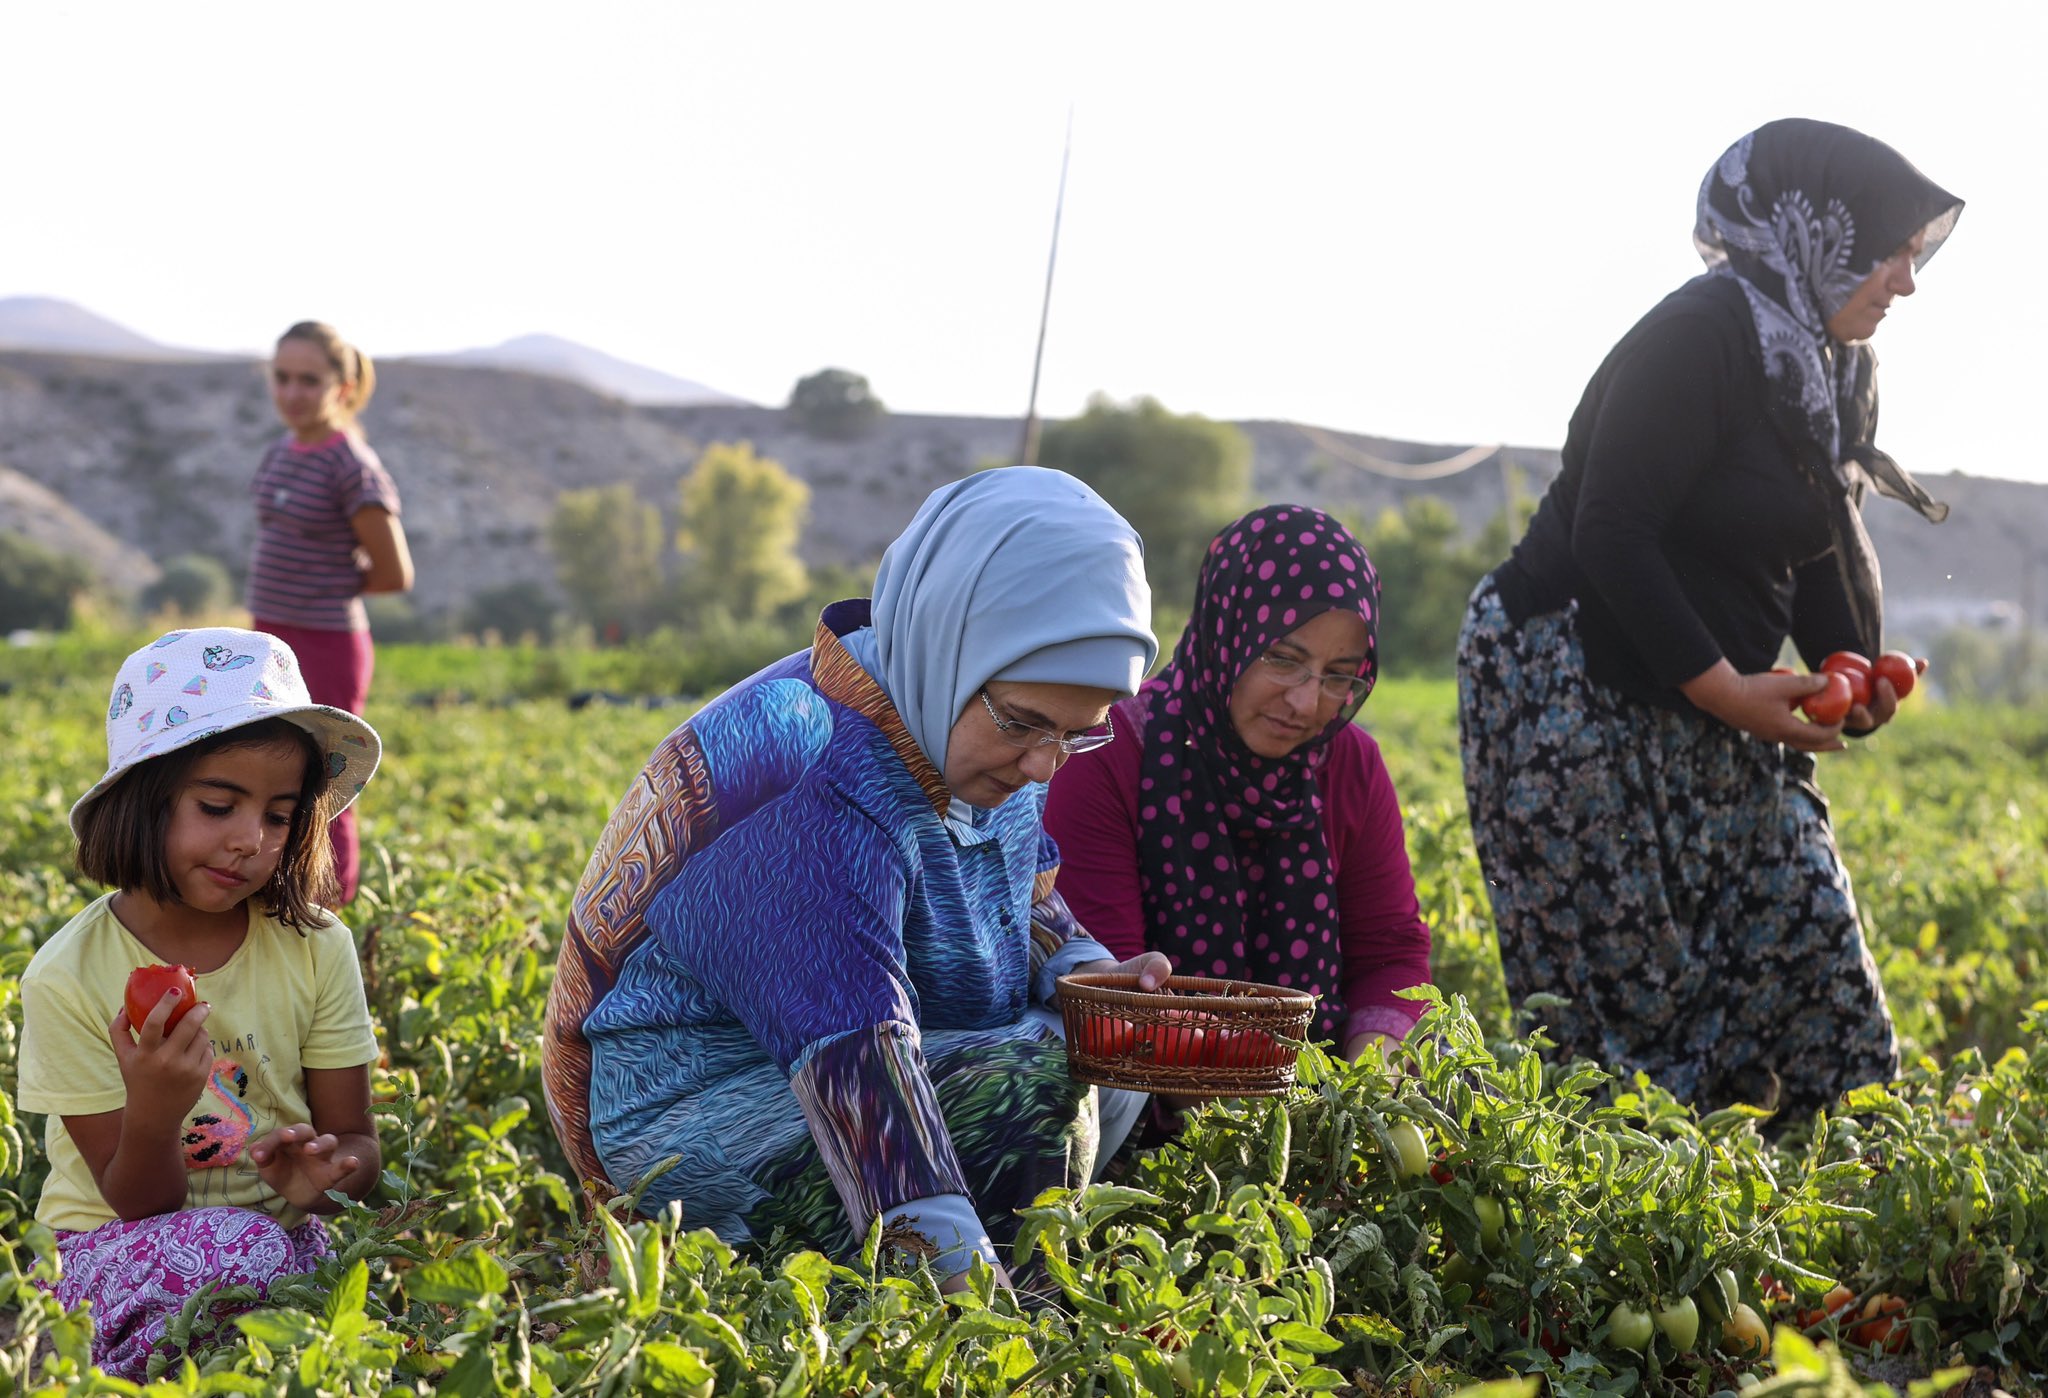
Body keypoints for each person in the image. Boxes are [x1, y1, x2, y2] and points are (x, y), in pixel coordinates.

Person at [542, 467, 1167, 1290]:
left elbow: (1022, 895)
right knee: (1029, 1086)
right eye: (1025, 724)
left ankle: (983, 1272)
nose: (1045, 764)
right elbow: (861, 1080)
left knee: (1093, 1049)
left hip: (858, 1059)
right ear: (948, 644)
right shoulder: (800, 765)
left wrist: (1084, 972)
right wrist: (989, 1333)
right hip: (686, 1123)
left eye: (1078, 735)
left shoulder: (964, 725)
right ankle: (964, 1309)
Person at [1456, 119, 1962, 1118]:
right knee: (1629, 1010)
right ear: (1815, 234)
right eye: (1888, 248)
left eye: (1913, 252)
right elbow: (1612, 533)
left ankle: (1836, 1230)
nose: (1905, 279)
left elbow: (1819, 536)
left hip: (1704, 690)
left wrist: (1845, 671)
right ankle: (1628, 1254)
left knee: (1811, 951)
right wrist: (1729, 691)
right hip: (1570, 685)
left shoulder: (1831, 360)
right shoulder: (1699, 335)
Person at [17, 626, 384, 1379]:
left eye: (279, 816)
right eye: (218, 805)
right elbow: (138, 1205)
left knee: (319, 1268)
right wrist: (155, 1108)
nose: (251, 839)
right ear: (143, 802)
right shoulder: (69, 975)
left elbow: (357, 1141)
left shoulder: (316, 947)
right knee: (253, 1256)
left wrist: (328, 1175)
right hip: (105, 1249)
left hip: (271, 1244)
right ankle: (59, 1352)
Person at [1044, 504, 1434, 1060]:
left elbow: (1388, 952)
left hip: (1314, 1092)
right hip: (1148, 1090)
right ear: (1226, 631)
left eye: (1339, 675)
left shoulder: (1349, 765)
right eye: (1281, 657)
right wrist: (1250, 1118)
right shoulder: (1112, 753)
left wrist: (1366, 1083)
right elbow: (1110, 985)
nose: (1306, 701)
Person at [247, 321, 414, 904]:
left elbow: (394, 573)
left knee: (323, 783)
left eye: (309, 381)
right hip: (271, 637)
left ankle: (325, 913)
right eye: (282, 378)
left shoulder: (352, 465)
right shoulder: (283, 451)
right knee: (269, 772)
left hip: (326, 641)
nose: (292, 393)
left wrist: (319, 584)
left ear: (342, 388)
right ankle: (277, 893)